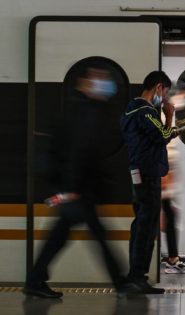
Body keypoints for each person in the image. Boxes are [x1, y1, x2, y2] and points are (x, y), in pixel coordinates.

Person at [24, 66, 140, 298]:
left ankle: (35, 281)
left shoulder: (85, 109)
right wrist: (74, 188)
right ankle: (119, 282)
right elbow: (78, 152)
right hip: (77, 189)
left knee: (63, 236)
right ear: (84, 83)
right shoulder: (85, 111)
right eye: (99, 78)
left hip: (77, 188)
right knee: (94, 236)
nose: (106, 83)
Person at [120, 71, 180, 293]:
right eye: (165, 93)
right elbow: (163, 135)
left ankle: (135, 275)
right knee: (147, 224)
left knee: (141, 222)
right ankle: (137, 276)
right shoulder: (145, 111)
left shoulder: (130, 108)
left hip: (138, 171)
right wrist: (170, 115)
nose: (165, 98)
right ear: (158, 88)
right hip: (148, 174)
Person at [161, 84, 185, 274]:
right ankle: (172, 259)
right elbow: (165, 147)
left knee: (169, 216)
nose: (184, 101)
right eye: (183, 96)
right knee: (168, 216)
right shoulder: (163, 114)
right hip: (162, 174)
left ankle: (172, 257)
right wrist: (167, 181)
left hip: (166, 173)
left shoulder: (170, 114)